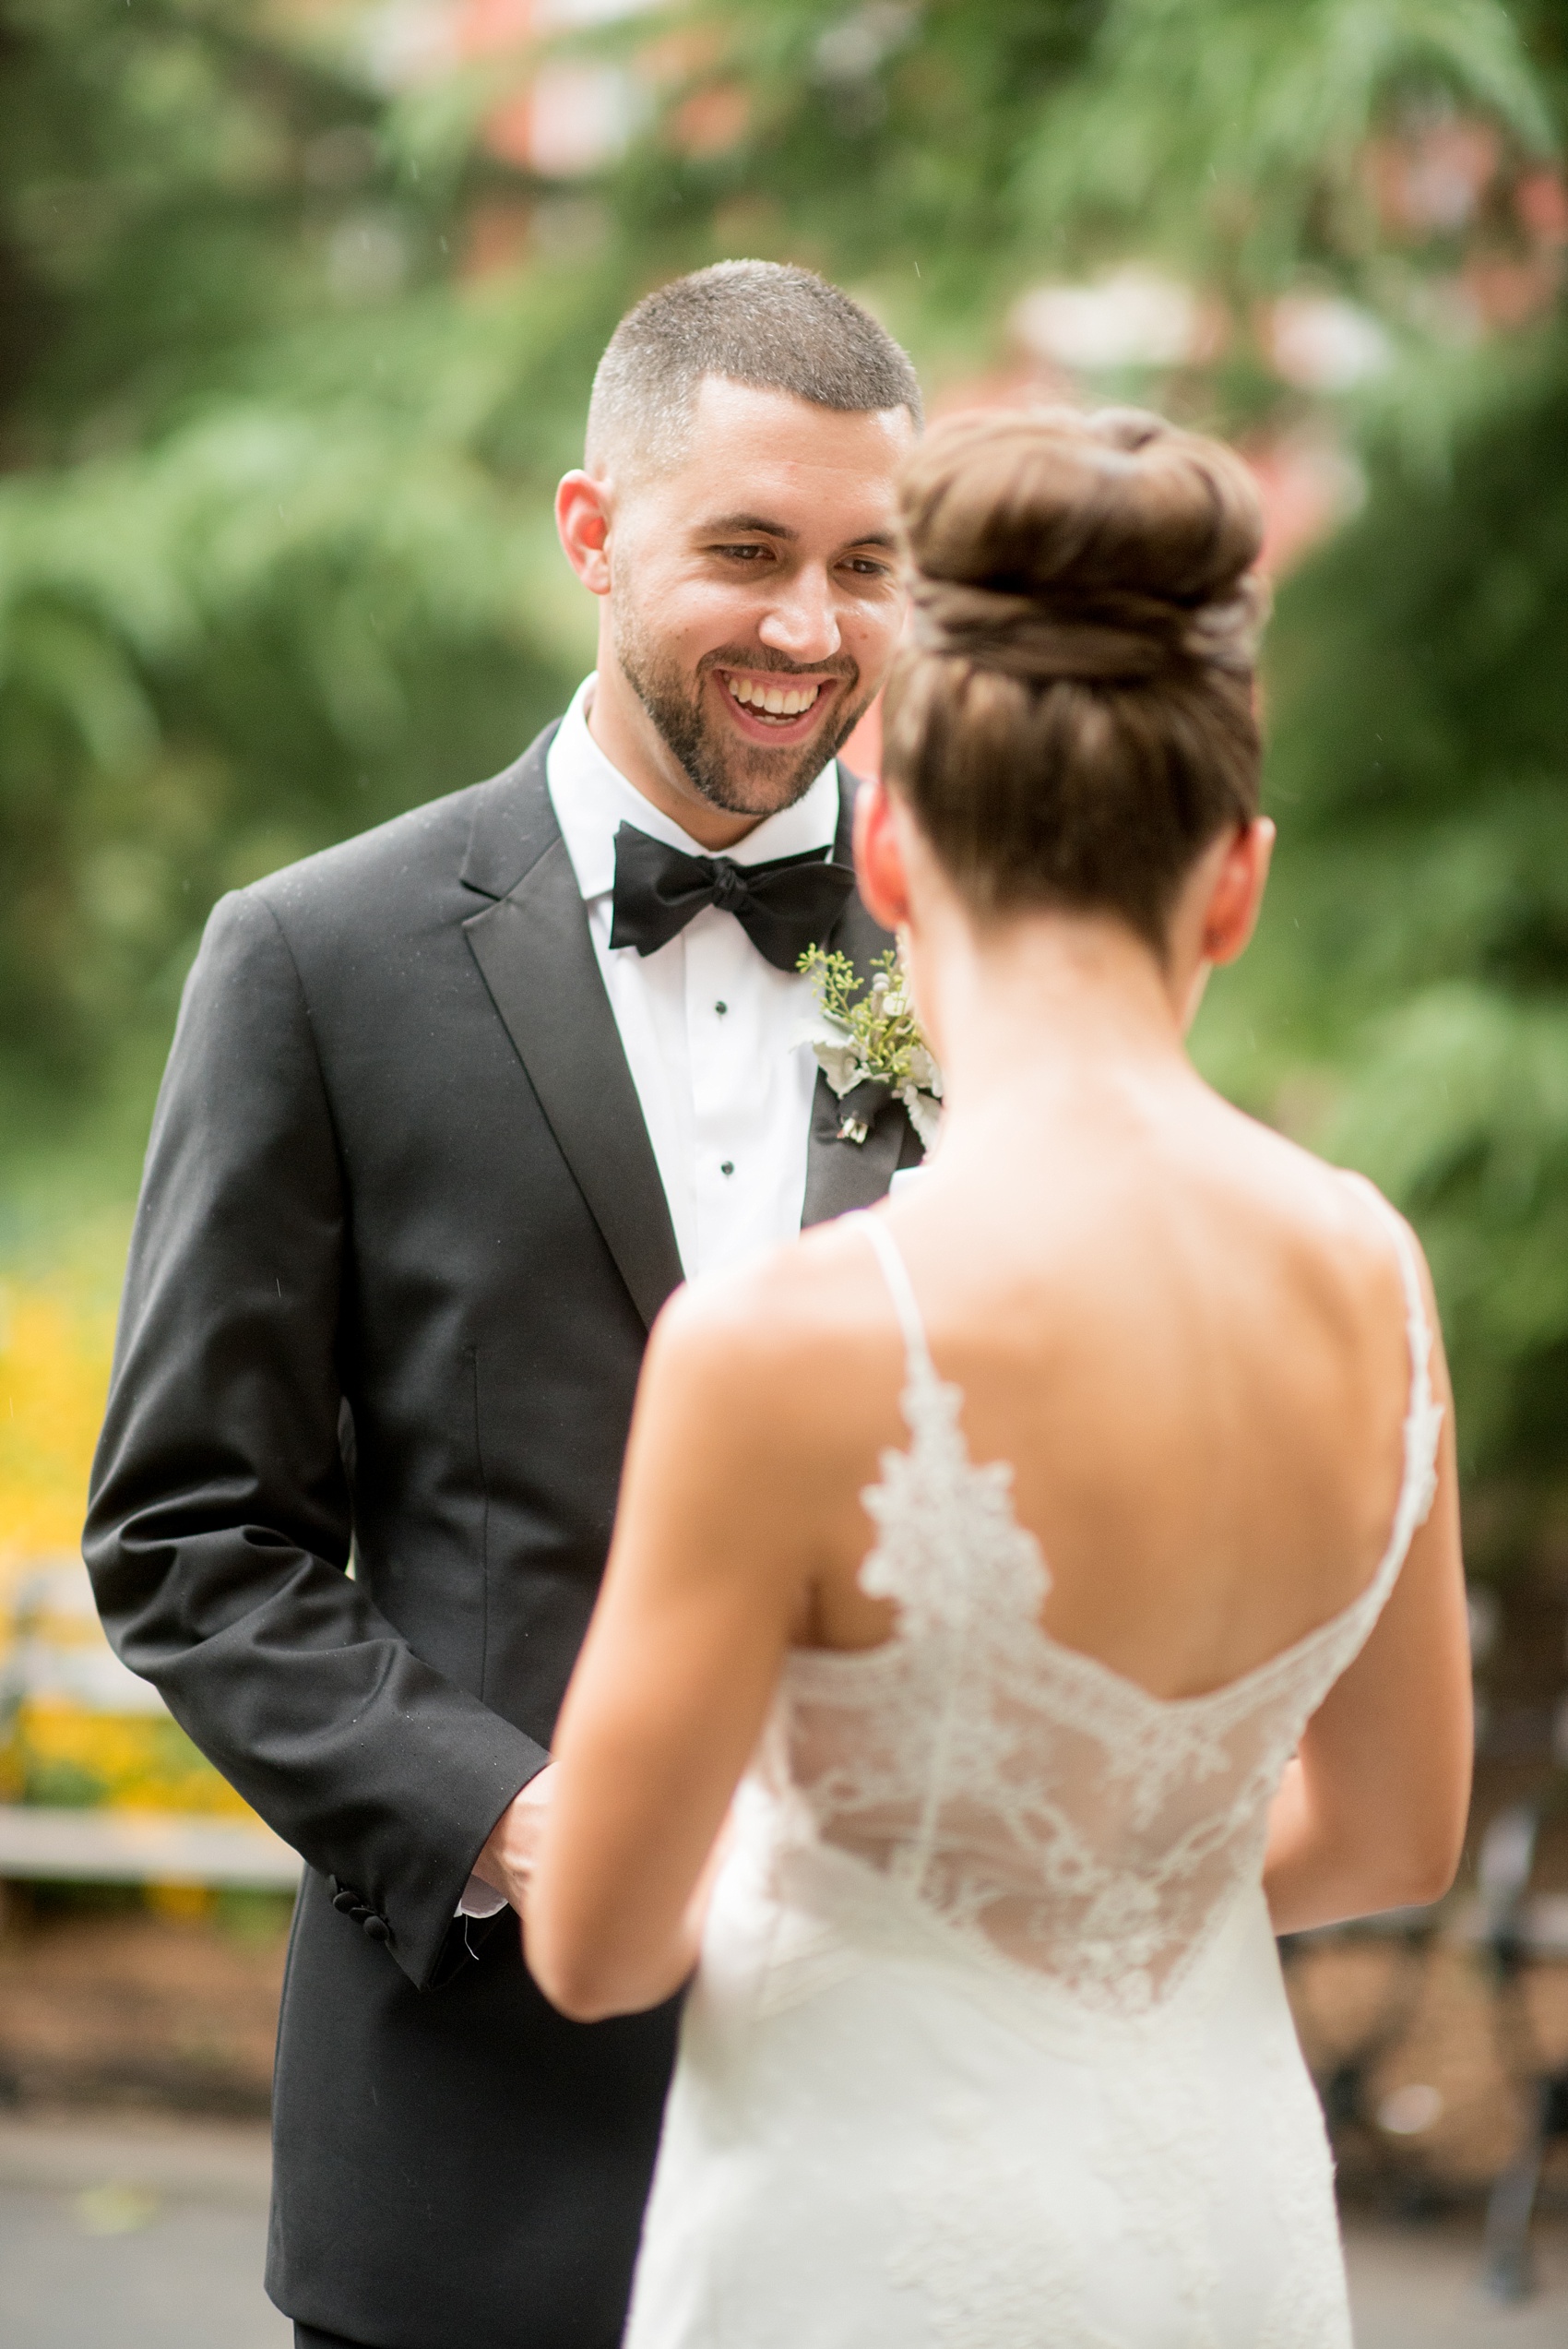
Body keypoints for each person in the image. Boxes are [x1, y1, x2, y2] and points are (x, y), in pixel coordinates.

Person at [523, 407, 1474, 2346]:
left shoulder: (786, 1349)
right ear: (1235, 878)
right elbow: (1388, 1832)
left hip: (855, 2250)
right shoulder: (1377, 1280)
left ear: (888, 842)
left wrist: (899, 1902)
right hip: (1222, 2228)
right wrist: (1119, 1895)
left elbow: (599, 1941)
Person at [82, 261, 926, 2349]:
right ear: (590, 532)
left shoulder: (994, 968)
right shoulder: (316, 959)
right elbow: (192, 1536)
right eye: (744, 550)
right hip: (472, 2155)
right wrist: (524, 1826)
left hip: (909, 2152)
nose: (809, 633)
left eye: (867, 564)